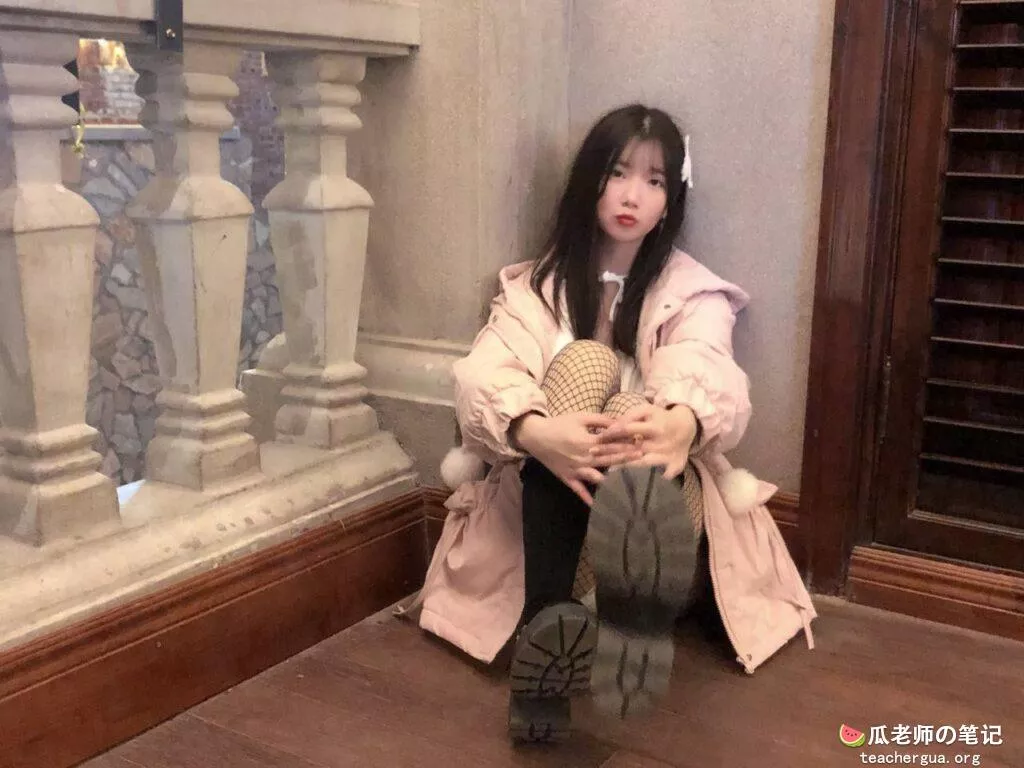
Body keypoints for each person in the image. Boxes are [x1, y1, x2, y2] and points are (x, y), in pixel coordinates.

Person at [400, 104, 816, 743]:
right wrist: (535, 432)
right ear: (589, 179)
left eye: (654, 180)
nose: (631, 195)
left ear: (671, 199)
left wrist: (683, 422)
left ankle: (607, 617)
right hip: (550, 529)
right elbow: (485, 374)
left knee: (630, 412)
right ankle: (562, 630)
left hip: (661, 513)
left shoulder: (691, 293)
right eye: (618, 173)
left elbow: (706, 362)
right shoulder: (533, 290)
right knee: (586, 362)